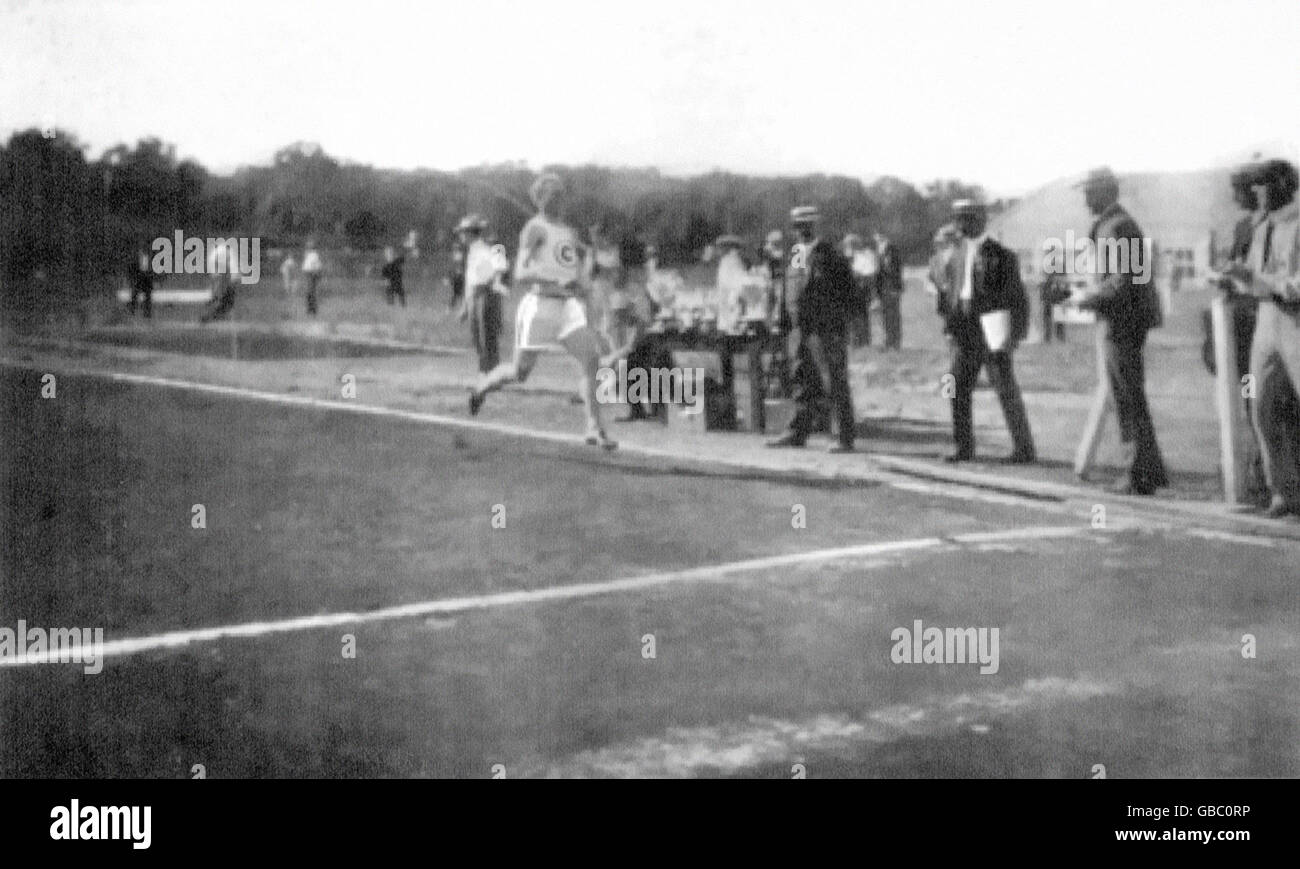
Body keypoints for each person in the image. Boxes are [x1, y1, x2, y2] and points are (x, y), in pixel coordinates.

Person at [468, 172, 616, 449]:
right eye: (552, 194)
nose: (558, 199)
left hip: (567, 309)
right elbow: (521, 271)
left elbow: (576, 269)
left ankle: (594, 428)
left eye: (561, 194)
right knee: (519, 372)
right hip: (539, 307)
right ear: (540, 199)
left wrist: (583, 282)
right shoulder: (534, 228)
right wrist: (554, 281)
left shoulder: (568, 232)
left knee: (592, 361)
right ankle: (483, 386)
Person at [1074, 167, 1167, 494]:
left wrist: (1090, 297)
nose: (1085, 199)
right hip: (1118, 317)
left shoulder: (1118, 226)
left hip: (1122, 321)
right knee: (1127, 395)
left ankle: (1138, 473)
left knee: (1126, 397)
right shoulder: (1112, 225)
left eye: (1090, 192)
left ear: (1106, 192)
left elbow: (1127, 279)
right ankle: (1148, 470)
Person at [1222, 158, 1300, 518]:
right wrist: (1237, 276)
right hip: (1266, 320)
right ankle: (1282, 491)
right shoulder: (1263, 227)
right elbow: (1255, 276)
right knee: (1261, 404)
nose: (1256, 192)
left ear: (1284, 184)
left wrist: (1264, 283)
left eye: (1262, 184)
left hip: (1295, 319)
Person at [936, 199, 1035, 464]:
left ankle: (1024, 448)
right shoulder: (954, 255)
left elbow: (1018, 299)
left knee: (1004, 387)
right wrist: (949, 325)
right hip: (965, 331)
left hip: (992, 328)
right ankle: (963, 447)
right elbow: (950, 294)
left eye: (968, 218)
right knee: (955, 386)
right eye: (958, 218)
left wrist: (1015, 334)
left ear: (981, 220)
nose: (962, 224)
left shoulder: (1001, 256)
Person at [766, 205, 856, 453]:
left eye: (806, 226)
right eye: (797, 227)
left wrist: (838, 327)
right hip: (798, 330)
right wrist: (782, 321)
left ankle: (843, 436)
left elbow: (849, 294)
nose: (801, 231)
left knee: (833, 381)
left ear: (815, 226)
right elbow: (788, 289)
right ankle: (798, 431)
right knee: (800, 381)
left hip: (824, 330)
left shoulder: (830, 255)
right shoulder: (795, 254)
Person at [457, 215, 508, 373]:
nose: (461, 236)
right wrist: (466, 305)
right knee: (477, 336)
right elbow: (470, 280)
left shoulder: (492, 246)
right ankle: (484, 371)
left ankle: (491, 373)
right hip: (475, 295)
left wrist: (494, 282)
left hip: (487, 294)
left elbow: (501, 269)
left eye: (463, 233)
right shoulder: (472, 251)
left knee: (487, 337)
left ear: (470, 233)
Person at [842, 233, 879, 347]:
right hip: (848, 293)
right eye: (847, 245)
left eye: (850, 245)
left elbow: (869, 274)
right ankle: (852, 342)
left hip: (861, 292)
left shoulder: (865, 257)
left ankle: (863, 342)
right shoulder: (845, 259)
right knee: (850, 319)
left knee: (862, 318)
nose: (848, 248)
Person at [873, 231, 904, 350]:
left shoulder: (892, 251)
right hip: (883, 288)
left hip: (892, 287)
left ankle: (895, 342)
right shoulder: (880, 252)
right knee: (886, 316)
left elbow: (896, 271)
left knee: (894, 316)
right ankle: (888, 341)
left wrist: (896, 288)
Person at [200, 239, 238, 323]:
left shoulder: (218, 252)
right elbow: (232, 266)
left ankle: (214, 313)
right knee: (219, 296)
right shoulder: (226, 252)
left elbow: (212, 263)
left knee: (219, 295)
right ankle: (211, 315)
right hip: (220, 276)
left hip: (219, 275)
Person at [129, 243, 154, 319]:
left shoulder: (150, 258)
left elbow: (152, 270)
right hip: (139, 278)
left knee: (148, 297)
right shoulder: (136, 258)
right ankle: (132, 312)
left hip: (147, 279)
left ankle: (147, 314)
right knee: (134, 295)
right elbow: (132, 269)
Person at [301, 238, 323, 316]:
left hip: (311, 274)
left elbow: (315, 266)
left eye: (309, 246)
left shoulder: (314, 254)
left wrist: (315, 274)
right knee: (309, 293)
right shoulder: (308, 254)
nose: (307, 247)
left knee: (311, 292)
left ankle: (312, 310)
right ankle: (310, 309)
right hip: (308, 274)